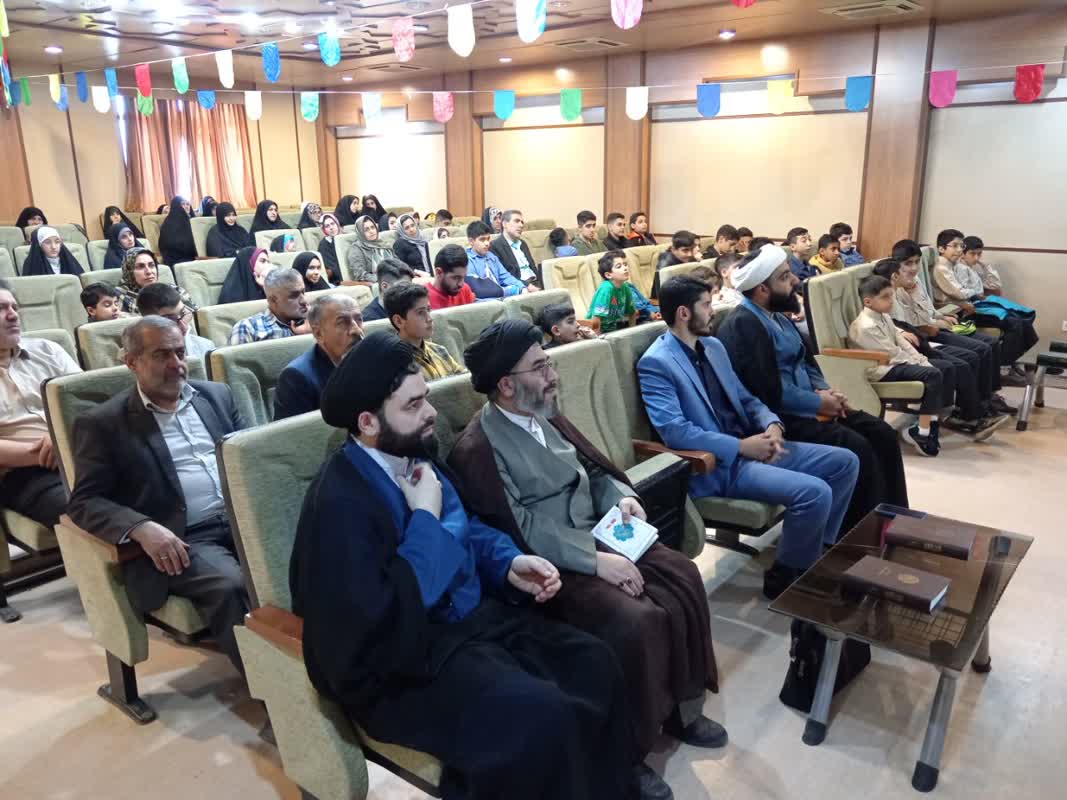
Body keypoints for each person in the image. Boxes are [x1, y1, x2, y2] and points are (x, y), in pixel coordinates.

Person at [291, 330, 637, 800]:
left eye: (426, 398)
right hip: (406, 660)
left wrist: (508, 562)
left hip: (473, 625)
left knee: (594, 662)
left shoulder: (413, 454)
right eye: (413, 405)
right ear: (368, 421)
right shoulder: (339, 501)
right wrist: (423, 517)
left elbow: (467, 526)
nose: (432, 413)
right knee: (540, 716)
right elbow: (382, 610)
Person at [450, 320, 724, 799]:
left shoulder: (546, 414)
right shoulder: (479, 447)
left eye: (548, 363)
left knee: (681, 574)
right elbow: (519, 527)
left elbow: (594, 471)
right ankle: (630, 752)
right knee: (634, 621)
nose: (553, 374)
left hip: (601, 532)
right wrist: (596, 561)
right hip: (554, 565)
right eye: (540, 367)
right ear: (507, 384)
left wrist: (622, 497)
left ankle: (684, 709)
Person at [639, 276, 860, 598]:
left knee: (845, 462)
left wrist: (772, 424)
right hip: (719, 465)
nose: (713, 311)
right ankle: (786, 575)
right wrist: (741, 447)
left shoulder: (713, 347)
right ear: (684, 313)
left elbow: (745, 397)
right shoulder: (657, 362)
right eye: (707, 304)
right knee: (815, 492)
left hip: (752, 443)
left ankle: (815, 555)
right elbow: (675, 431)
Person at [67, 317, 249, 673]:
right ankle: (275, 692)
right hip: (184, 537)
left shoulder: (216, 395)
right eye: (162, 355)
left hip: (244, 520)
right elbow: (84, 502)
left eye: (180, 352)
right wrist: (140, 527)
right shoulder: (103, 423)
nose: (176, 364)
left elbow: (249, 455)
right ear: (131, 362)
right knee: (233, 584)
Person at [716, 245, 908, 537]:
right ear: (763, 289)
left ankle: (893, 520)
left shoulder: (778, 316)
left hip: (811, 405)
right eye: (784, 277)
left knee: (881, 433)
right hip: (781, 419)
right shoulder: (745, 324)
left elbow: (807, 362)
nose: (795, 280)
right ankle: (854, 538)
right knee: (857, 446)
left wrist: (828, 392)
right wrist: (818, 403)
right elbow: (769, 391)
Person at [875, 249, 1014, 416]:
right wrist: (928, 333)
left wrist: (940, 316)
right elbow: (908, 325)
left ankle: (985, 399)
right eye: (908, 264)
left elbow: (927, 311)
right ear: (896, 273)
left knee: (985, 347)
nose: (913, 268)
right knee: (972, 355)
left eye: (917, 262)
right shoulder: (891, 295)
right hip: (923, 336)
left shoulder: (912, 283)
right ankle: (969, 409)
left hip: (928, 332)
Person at [0, 282, 82, 535]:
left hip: (84, 453)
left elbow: (86, 402)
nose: (13, 315)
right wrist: (52, 450)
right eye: (1, 308)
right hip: (27, 475)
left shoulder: (48, 350)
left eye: (15, 307)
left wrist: (63, 440)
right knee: (91, 508)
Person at [848, 275, 950, 457]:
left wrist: (921, 360)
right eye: (885, 297)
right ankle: (923, 432)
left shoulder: (884, 316)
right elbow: (891, 354)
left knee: (944, 367)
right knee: (933, 374)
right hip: (879, 369)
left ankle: (929, 422)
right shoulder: (865, 326)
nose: (891, 301)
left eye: (892, 295)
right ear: (868, 301)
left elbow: (902, 343)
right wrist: (922, 365)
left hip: (895, 362)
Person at [933, 229, 1039, 368]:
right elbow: (959, 293)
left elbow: (992, 286)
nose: (959, 250)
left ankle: (1032, 362)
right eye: (955, 246)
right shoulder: (946, 267)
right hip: (962, 312)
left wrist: (983, 270)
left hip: (967, 307)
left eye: (961, 246)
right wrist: (976, 293)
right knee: (1016, 323)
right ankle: (1009, 364)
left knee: (1021, 321)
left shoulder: (954, 266)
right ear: (941, 249)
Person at [273, 293, 364, 420]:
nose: (357, 330)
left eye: (359, 320)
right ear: (318, 333)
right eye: (342, 322)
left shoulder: (373, 359)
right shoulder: (296, 378)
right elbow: (297, 432)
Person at [383, 283, 465, 380]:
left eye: (428, 310)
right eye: (420, 313)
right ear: (399, 321)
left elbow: (463, 381)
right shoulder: (396, 364)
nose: (429, 319)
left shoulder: (439, 350)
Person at [229, 267, 311, 345]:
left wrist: (313, 333)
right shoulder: (248, 327)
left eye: (303, 292)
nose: (304, 301)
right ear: (273, 300)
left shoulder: (313, 322)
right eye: (294, 296)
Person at [137, 283, 215, 360]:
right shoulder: (138, 359)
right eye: (170, 320)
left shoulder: (206, 346)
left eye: (183, 313)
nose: (184, 327)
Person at [465, 221, 529, 299]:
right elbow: (479, 290)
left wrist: (522, 287)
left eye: (488, 239)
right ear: (471, 241)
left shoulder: (491, 256)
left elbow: (506, 277)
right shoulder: (467, 260)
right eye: (482, 240)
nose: (487, 243)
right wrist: (511, 291)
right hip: (484, 300)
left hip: (501, 296)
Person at [587, 251, 637, 333]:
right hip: (598, 331)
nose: (625, 268)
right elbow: (596, 319)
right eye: (619, 266)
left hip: (616, 330)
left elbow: (632, 312)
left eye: (625, 264)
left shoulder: (625, 287)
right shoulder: (606, 289)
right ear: (608, 275)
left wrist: (633, 332)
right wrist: (598, 339)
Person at [489, 209, 539, 285]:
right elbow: (504, 277)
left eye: (522, 222)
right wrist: (526, 285)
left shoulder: (523, 243)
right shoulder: (495, 246)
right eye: (516, 221)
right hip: (519, 286)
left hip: (536, 282)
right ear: (504, 224)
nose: (521, 225)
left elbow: (533, 268)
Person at [652, 230, 700, 299]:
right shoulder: (665, 265)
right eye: (685, 250)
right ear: (673, 250)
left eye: (691, 249)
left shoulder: (689, 258)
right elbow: (663, 295)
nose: (689, 254)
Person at [428, 245, 476, 310]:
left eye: (463, 277)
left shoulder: (465, 289)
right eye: (456, 278)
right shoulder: (423, 298)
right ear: (439, 272)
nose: (461, 284)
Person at [346, 214, 393, 281]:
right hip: (378, 282)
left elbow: (397, 263)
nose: (371, 231)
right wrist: (382, 279)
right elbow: (360, 274)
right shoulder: (356, 248)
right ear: (361, 232)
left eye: (372, 227)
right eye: (366, 230)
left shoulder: (383, 243)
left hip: (395, 277)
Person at [158, 198, 198, 266]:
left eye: (188, 204)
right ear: (176, 206)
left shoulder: (194, 220)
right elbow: (168, 245)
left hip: (196, 258)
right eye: (183, 204)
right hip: (178, 260)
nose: (186, 206)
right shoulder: (170, 223)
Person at [315, 213, 343, 285]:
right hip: (338, 280)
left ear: (337, 224)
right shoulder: (324, 245)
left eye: (332, 224)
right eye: (327, 226)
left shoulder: (344, 238)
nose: (331, 227)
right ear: (324, 229)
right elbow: (333, 269)